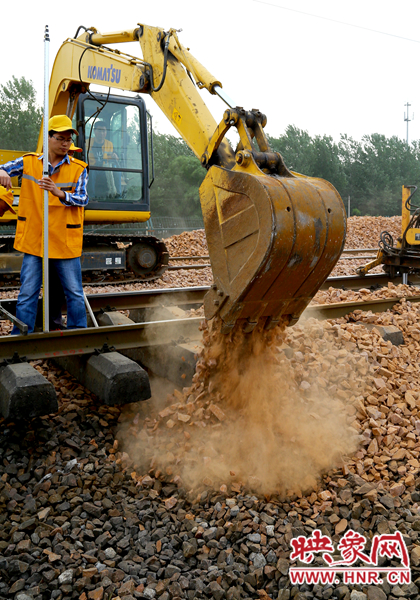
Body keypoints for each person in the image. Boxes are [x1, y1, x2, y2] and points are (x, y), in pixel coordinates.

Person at [0, 114, 89, 334]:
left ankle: (78, 334)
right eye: (61, 138)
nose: (66, 143)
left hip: (64, 241)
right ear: (48, 138)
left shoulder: (79, 168)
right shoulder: (29, 162)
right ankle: (21, 335)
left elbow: (83, 198)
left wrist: (59, 193)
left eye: (68, 139)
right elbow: (4, 167)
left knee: (74, 292)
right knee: (28, 292)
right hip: (35, 240)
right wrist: (2, 171)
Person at [88, 121, 119, 197]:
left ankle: (118, 195)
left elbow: (116, 157)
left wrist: (115, 156)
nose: (102, 133)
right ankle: (91, 197)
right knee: (91, 172)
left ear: (106, 132)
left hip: (105, 169)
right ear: (94, 131)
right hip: (92, 168)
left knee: (118, 172)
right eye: (99, 130)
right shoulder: (87, 143)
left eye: (104, 131)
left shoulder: (109, 144)